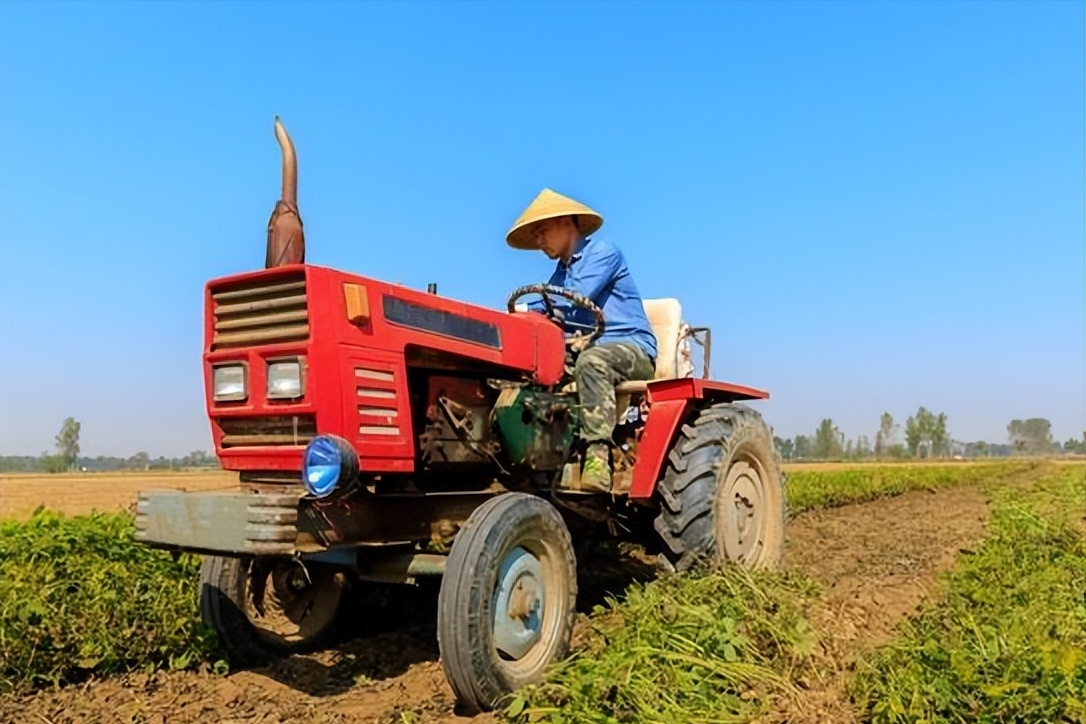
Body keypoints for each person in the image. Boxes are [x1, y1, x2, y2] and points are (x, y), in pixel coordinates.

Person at [507, 188, 657, 492]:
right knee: (530, 368)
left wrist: (536, 311)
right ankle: (535, 455)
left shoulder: (603, 252)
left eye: (542, 230)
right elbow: (543, 308)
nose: (539, 240)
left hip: (632, 350)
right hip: (592, 351)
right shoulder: (559, 275)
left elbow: (570, 301)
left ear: (567, 223)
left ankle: (598, 458)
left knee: (592, 361)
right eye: (534, 234)